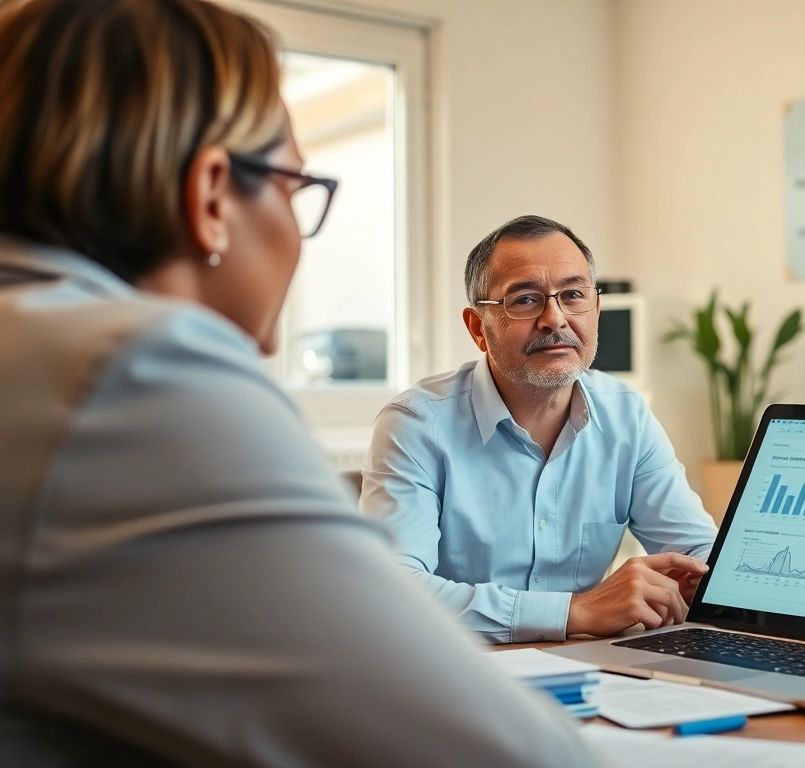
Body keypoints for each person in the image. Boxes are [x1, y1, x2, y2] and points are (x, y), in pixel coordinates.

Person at [0, 1, 602, 765]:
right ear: (212, 198)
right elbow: (482, 745)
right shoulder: (140, 372)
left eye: (575, 294)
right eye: (292, 189)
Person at [359, 216, 717, 644]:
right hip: (460, 666)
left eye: (573, 295)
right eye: (526, 300)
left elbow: (696, 552)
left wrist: (709, 582)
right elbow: (394, 592)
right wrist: (576, 611)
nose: (555, 318)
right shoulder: (416, 424)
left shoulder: (627, 416)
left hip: (593, 664)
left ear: (596, 310)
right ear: (478, 328)